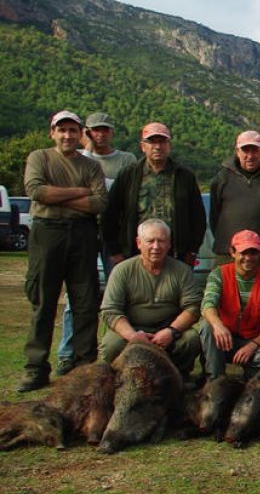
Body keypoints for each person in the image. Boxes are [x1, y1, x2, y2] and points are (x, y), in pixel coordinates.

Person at [18, 110, 107, 391]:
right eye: (62, 130)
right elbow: (36, 191)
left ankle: (84, 366)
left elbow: (99, 203)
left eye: (73, 130)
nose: (67, 135)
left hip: (82, 234)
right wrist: (80, 192)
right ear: (52, 132)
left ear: (80, 134)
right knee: (43, 302)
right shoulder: (39, 158)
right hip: (47, 232)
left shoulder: (90, 166)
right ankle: (36, 368)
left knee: (85, 301)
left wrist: (57, 195)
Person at [57, 112, 137, 374]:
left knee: (119, 296)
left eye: (104, 130)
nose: (99, 134)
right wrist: (87, 148)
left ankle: (114, 351)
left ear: (112, 132)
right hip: (83, 232)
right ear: (85, 133)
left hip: (114, 237)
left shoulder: (126, 160)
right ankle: (69, 354)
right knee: (77, 296)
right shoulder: (78, 159)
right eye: (93, 130)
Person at [99, 219, 202, 378]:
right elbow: (110, 311)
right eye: (150, 241)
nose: (156, 246)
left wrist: (171, 331)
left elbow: (193, 307)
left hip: (168, 328)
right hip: (132, 328)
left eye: (161, 241)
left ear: (169, 244)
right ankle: (121, 378)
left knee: (191, 339)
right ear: (139, 243)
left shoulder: (182, 271)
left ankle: (178, 377)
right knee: (111, 345)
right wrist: (133, 336)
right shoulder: (122, 271)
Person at [102, 122, 206, 265]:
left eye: (162, 142)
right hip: (135, 254)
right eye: (152, 142)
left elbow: (198, 217)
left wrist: (192, 250)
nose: (157, 147)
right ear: (143, 146)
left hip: (176, 255)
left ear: (169, 146)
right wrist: (115, 251)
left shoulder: (184, 176)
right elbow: (110, 214)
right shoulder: (128, 175)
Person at [198, 230, 260, 382]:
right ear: (232, 252)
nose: (248, 258)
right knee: (206, 327)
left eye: (253, 252)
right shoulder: (219, 274)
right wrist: (218, 326)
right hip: (223, 339)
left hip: (252, 340)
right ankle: (214, 380)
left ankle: (253, 380)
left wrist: (253, 345)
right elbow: (207, 304)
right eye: (243, 252)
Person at [209, 131, 260, 274]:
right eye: (245, 150)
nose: (250, 156)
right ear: (237, 151)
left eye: (255, 150)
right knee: (224, 294)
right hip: (228, 254)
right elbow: (215, 216)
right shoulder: (221, 179)